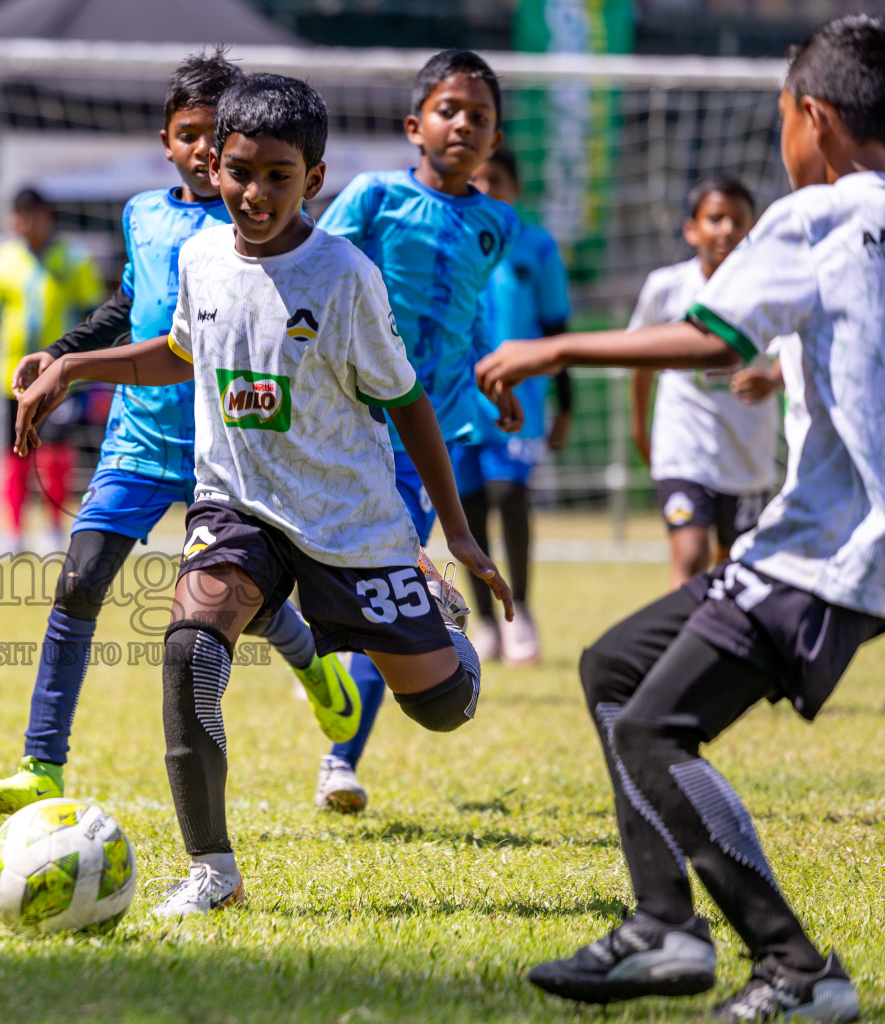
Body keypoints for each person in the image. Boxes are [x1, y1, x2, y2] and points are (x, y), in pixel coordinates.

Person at [17, 72, 513, 918]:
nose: (254, 193)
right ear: (214, 168)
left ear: (313, 180)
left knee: (442, 709)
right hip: (237, 508)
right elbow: (178, 351)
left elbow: (410, 405)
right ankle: (214, 870)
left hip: (351, 526)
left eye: (278, 177)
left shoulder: (346, 276)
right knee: (189, 649)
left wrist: (458, 538)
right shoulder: (198, 256)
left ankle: (441, 628)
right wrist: (74, 366)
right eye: (240, 172)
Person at [476, 16, 885, 1019]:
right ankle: (665, 926)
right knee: (614, 667)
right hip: (835, 542)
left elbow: (711, 340)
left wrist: (558, 349)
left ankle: (797, 968)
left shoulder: (819, 212)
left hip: (835, 543)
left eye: (780, 119)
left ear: (813, 119)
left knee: (655, 729)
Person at [0, 50, 364, 817]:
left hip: (226, 449)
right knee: (79, 581)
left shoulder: (261, 228)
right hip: (137, 442)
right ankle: (42, 763)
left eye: (212, 137)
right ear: (167, 141)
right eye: (187, 134)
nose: (200, 150)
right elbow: (129, 307)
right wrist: (60, 355)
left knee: (244, 607)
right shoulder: (144, 217)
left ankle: (319, 673)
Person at [312, 49, 520, 812]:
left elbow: (462, 319)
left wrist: (489, 374)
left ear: (494, 143)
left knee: (392, 595)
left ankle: (340, 759)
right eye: (450, 110)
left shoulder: (497, 226)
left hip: (422, 449)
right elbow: (316, 272)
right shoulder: (371, 199)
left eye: (481, 118)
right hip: (345, 428)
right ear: (415, 126)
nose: (464, 124)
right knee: (327, 588)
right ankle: (315, 663)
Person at [628, 177, 783, 590]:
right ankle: (678, 647)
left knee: (733, 564)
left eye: (739, 221)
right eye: (716, 218)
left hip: (745, 454)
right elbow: (639, 359)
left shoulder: (767, 291)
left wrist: (771, 379)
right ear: (691, 228)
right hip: (683, 447)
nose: (727, 230)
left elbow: (797, 350)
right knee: (690, 554)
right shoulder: (666, 288)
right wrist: (639, 428)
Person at [460, 147, 573, 666]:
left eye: (496, 179)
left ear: (515, 187)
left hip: (518, 401)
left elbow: (556, 331)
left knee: (509, 494)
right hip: (456, 398)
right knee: (470, 509)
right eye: (476, 179)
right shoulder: (450, 241)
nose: (485, 189)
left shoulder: (537, 247)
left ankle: (521, 611)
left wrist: (565, 405)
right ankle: (485, 622)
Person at [0, 188, 105, 552]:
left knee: (55, 452)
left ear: (49, 217)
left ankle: (53, 530)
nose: (24, 224)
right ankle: (12, 533)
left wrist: (89, 379)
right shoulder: (0, 260)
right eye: (18, 216)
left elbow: (94, 320)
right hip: (10, 380)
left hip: (56, 381)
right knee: (13, 452)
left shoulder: (73, 260)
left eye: (32, 215)